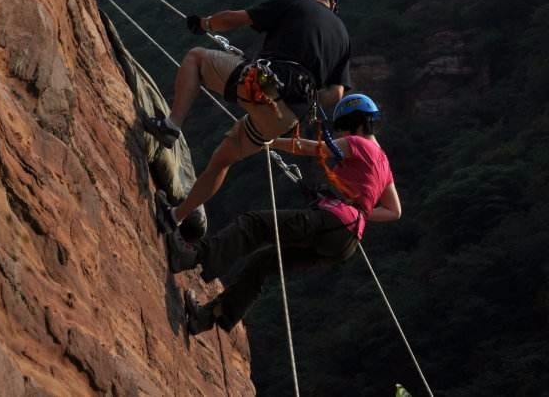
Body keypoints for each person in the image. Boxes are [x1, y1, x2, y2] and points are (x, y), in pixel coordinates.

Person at [166, 94, 401, 334]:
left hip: (333, 221)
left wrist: (268, 140)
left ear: (355, 123)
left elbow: (310, 148)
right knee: (263, 264)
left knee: (254, 225)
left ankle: (190, 257)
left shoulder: (358, 143)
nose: (341, 135)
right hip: (346, 241)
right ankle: (206, 317)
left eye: (342, 128)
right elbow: (394, 211)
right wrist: (358, 211)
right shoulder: (383, 162)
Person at [145, 0, 352, 235]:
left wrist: (204, 24)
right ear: (333, 2)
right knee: (223, 159)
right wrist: (305, 98)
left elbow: (235, 18)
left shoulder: (294, 4)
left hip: (262, 83)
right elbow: (337, 93)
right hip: (287, 115)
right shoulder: (343, 37)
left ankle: (171, 126)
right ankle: (175, 216)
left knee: (195, 58)